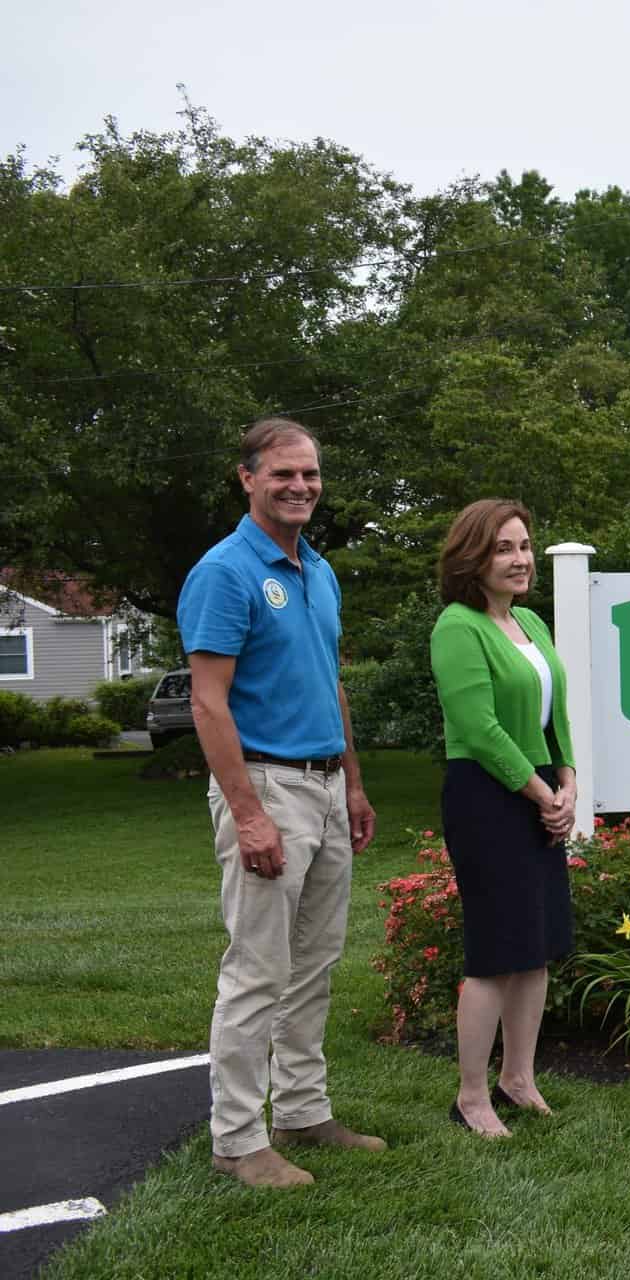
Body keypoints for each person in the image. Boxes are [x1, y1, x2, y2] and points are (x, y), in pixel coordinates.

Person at [179, 417, 382, 1189]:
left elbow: (330, 682)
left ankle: (302, 1110)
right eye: (282, 474)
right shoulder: (225, 572)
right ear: (248, 478)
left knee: (314, 966)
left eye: (310, 475)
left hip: (327, 786)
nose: (299, 486)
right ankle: (237, 1139)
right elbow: (207, 702)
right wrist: (250, 815)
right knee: (259, 969)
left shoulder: (318, 570)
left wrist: (355, 783)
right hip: (266, 787)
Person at [430, 499, 577, 1137]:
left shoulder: (532, 624)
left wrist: (566, 779)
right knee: (494, 952)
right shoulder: (457, 627)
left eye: (524, 546)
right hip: (487, 796)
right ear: (473, 558)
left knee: (535, 945)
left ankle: (518, 1078)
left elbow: (556, 713)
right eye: (503, 549)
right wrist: (542, 796)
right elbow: (479, 729)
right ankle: (470, 1097)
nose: (519, 559)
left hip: (539, 787)